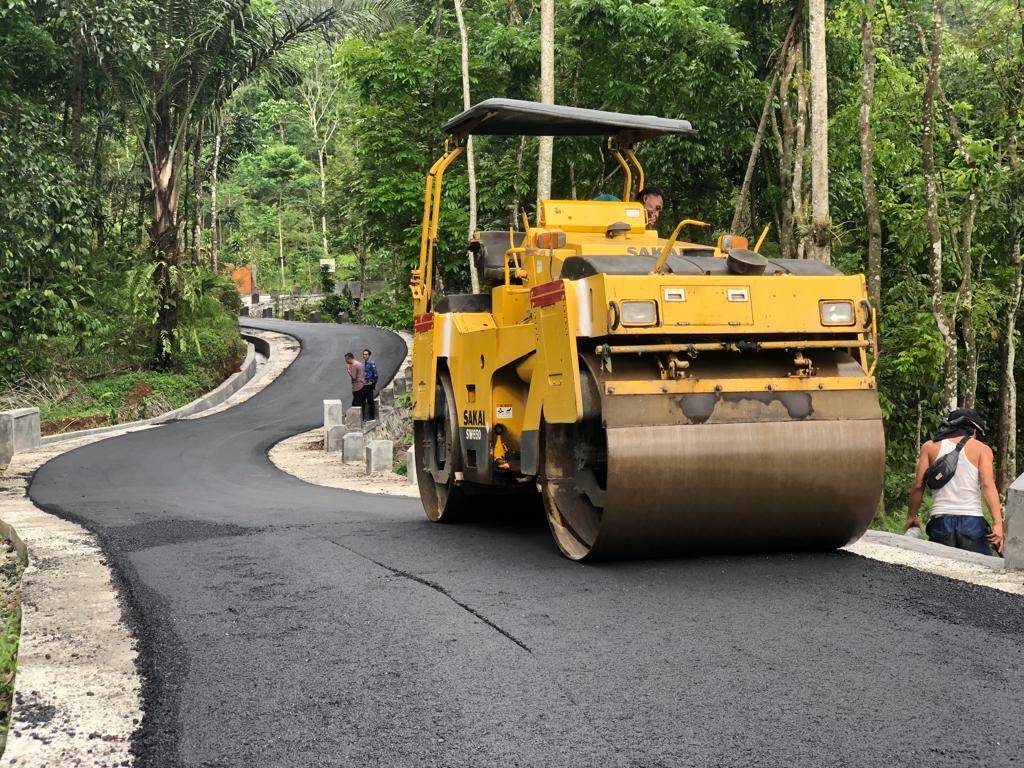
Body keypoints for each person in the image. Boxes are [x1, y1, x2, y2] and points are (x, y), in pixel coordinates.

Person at [904, 407, 1004, 555]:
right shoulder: (982, 449)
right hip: (972, 523)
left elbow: (919, 485)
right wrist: (997, 523)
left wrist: (912, 516)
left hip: (940, 522)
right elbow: (987, 485)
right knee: (978, 572)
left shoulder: (929, 447)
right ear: (973, 429)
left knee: (939, 575)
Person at [344, 352, 367, 421]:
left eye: (346, 360)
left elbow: (353, 377)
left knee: (356, 404)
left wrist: (348, 370)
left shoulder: (354, 365)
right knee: (362, 403)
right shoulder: (360, 364)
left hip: (357, 387)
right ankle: (363, 418)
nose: (346, 362)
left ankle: (356, 420)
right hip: (363, 385)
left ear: (349, 358)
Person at [361, 348, 378, 421]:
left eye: (366, 354)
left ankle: (372, 417)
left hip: (369, 385)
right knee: (362, 401)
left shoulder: (371, 363)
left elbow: (375, 375)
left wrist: (373, 383)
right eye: (363, 354)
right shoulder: (364, 363)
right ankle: (363, 417)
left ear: (369, 355)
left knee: (370, 401)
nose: (364, 356)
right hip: (364, 385)